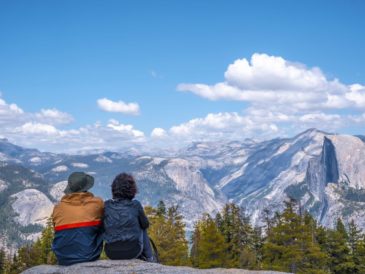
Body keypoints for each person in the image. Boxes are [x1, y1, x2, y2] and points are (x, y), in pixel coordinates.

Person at [52, 172, 104, 265]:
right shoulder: (97, 203)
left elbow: (56, 231)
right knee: (101, 222)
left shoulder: (58, 208)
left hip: (62, 258)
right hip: (88, 256)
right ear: (86, 187)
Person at [103, 172, 156, 262]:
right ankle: (150, 258)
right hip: (133, 251)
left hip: (111, 252)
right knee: (142, 227)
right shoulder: (135, 205)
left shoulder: (106, 205)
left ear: (114, 189)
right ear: (132, 189)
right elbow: (145, 225)